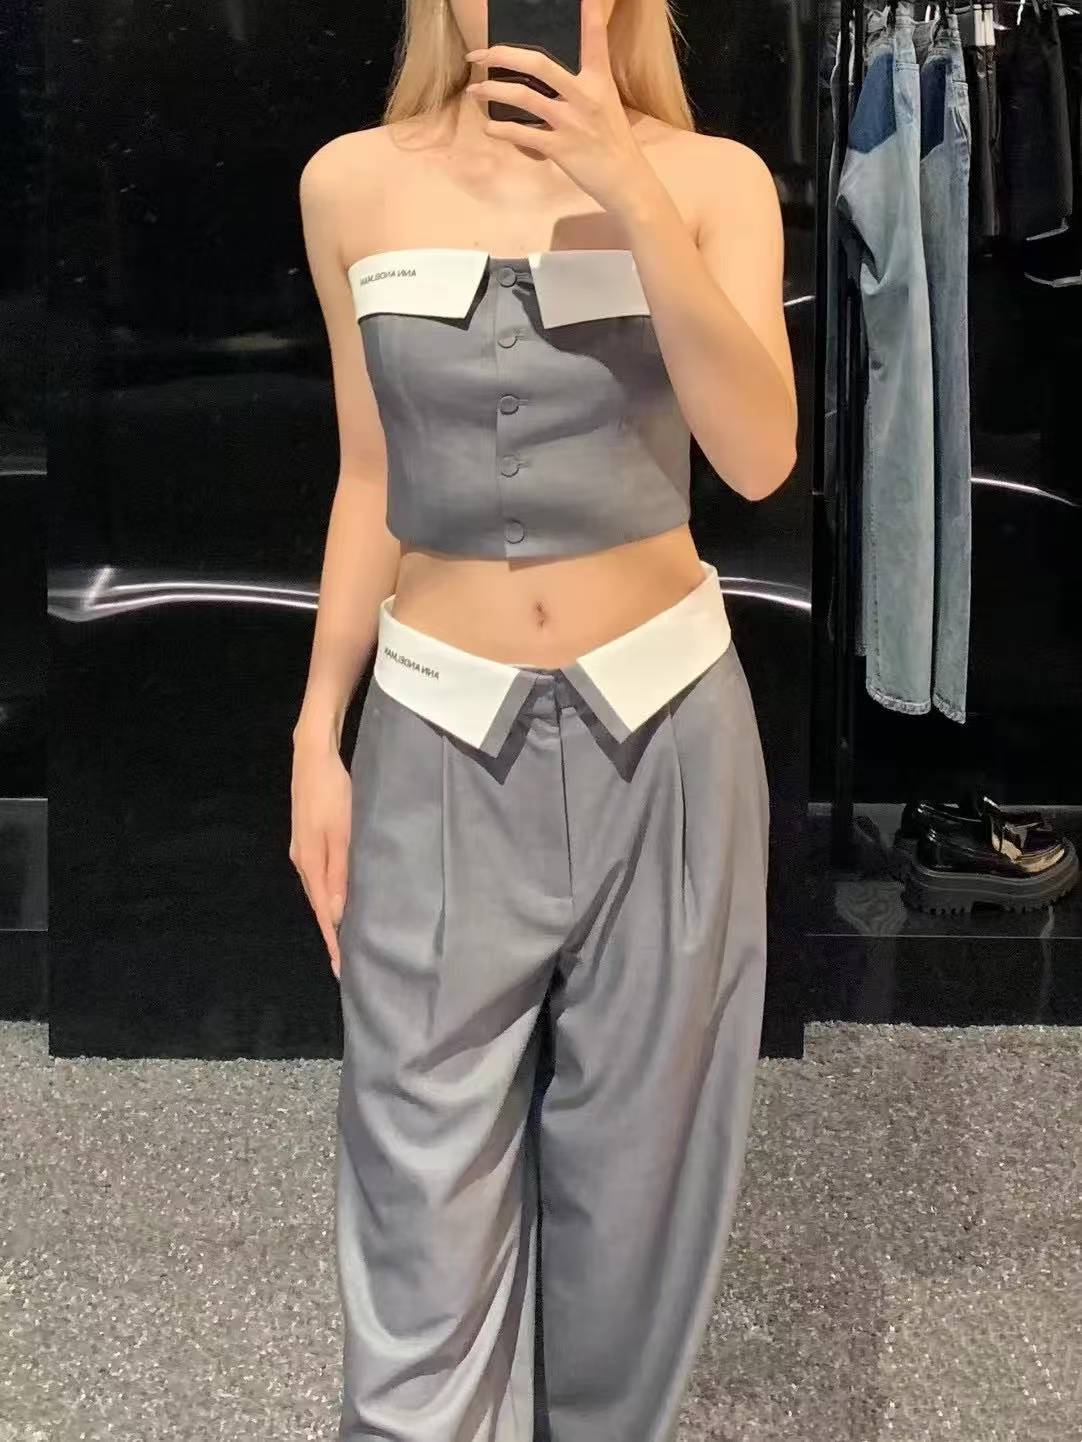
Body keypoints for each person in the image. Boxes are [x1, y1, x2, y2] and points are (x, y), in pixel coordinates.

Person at [290, 0, 797, 1436]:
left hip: (670, 741)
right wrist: (316, 732)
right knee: (415, 1191)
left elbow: (757, 455)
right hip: (432, 745)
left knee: (639, 1201)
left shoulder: (714, 181)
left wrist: (625, 183)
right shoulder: (350, 181)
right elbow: (369, 472)